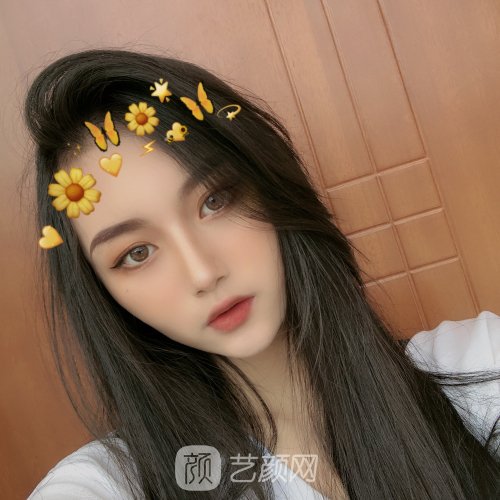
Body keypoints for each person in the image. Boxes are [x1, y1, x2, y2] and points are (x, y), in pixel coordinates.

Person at [22, 48, 500, 499]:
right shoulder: (113, 482)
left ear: (270, 188)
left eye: (215, 201)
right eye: (137, 253)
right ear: (103, 290)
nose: (203, 273)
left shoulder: (478, 371)